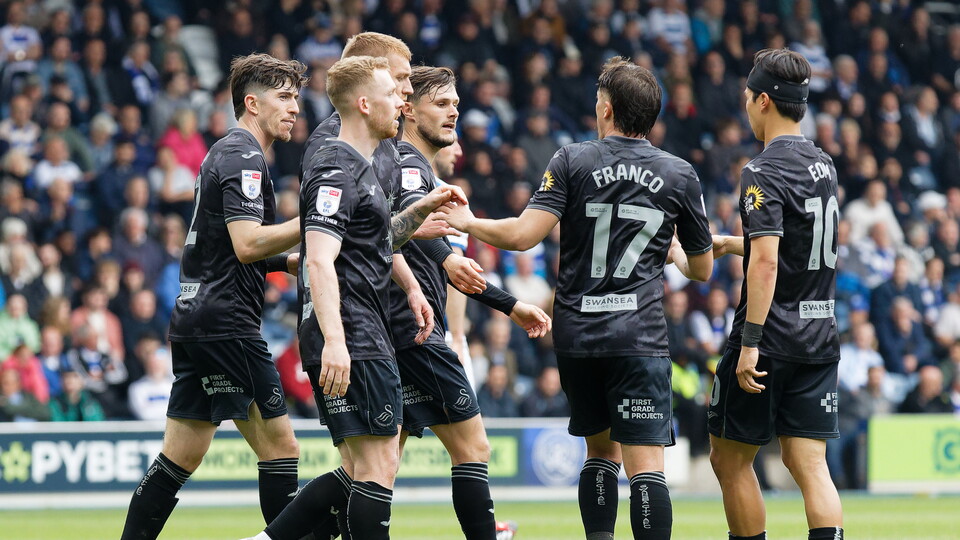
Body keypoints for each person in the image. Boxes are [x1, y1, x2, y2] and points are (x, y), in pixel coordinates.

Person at [440, 56, 714, 539]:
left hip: (580, 335)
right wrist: (672, 254)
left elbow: (524, 235)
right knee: (647, 466)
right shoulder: (679, 174)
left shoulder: (572, 159)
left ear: (606, 110)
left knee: (600, 453)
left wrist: (469, 222)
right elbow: (704, 268)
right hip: (640, 337)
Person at [247, 56, 467, 540]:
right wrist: (336, 341)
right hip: (354, 333)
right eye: (394, 93)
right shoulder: (335, 167)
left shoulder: (361, 166)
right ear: (365, 104)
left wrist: (421, 214)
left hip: (365, 330)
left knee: (367, 465)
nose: (402, 101)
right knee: (377, 464)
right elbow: (319, 259)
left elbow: (375, 242)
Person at [120, 53, 308, 540]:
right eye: (284, 97)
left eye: (296, 98)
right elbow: (247, 243)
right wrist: (315, 223)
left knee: (179, 457)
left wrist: (289, 261)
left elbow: (227, 246)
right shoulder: (244, 155)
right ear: (252, 103)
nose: (294, 109)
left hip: (196, 320)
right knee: (282, 449)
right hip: (226, 324)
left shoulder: (226, 152)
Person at [390, 66, 550, 539]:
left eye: (455, 102)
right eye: (441, 103)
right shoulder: (405, 162)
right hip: (412, 329)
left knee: (378, 465)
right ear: (409, 109)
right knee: (473, 446)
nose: (454, 111)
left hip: (404, 328)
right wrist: (508, 304)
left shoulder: (412, 167)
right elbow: (406, 234)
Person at [708, 49, 844, 540]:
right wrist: (731, 242)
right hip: (820, 333)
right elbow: (798, 241)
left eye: (748, 99)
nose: (745, 108)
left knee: (729, 457)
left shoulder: (762, 171)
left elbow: (766, 263)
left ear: (764, 100)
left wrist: (750, 343)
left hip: (772, 338)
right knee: (809, 462)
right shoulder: (823, 164)